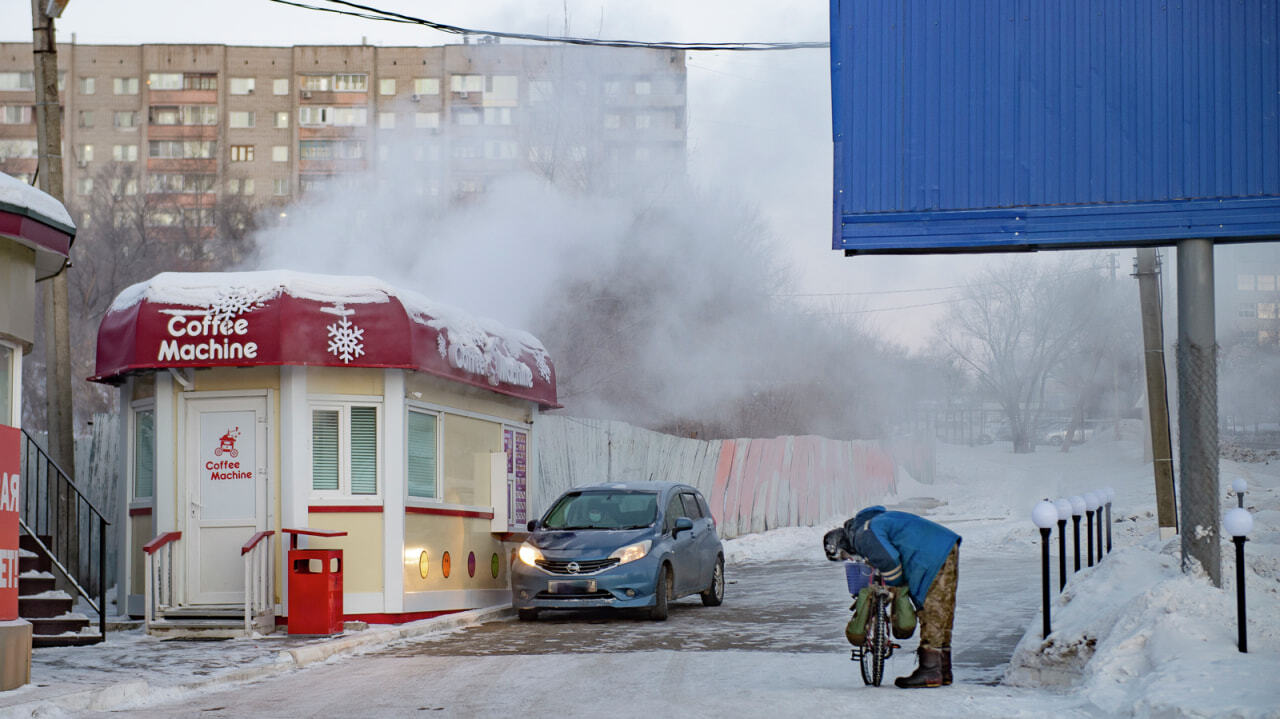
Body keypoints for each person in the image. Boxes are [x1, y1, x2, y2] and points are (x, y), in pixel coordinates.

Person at [824, 505, 961, 688]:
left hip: (931, 553)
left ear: (842, 542)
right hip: (943, 545)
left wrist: (895, 586)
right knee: (942, 610)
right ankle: (942, 669)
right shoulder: (873, 523)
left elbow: (888, 560)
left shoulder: (863, 534)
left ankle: (930, 670)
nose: (849, 559)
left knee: (932, 611)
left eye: (844, 555)